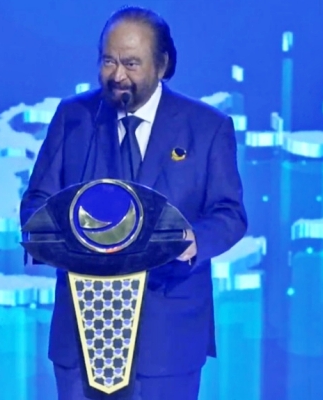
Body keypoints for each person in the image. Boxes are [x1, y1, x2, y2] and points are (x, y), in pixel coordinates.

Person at [20, 6, 247, 400]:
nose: (117, 75)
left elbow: (230, 214)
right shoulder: (74, 117)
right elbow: (37, 202)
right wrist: (49, 233)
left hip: (167, 336)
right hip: (81, 332)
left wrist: (193, 240)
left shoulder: (207, 127)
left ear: (163, 65)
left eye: (131, 63)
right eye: (108, 61)